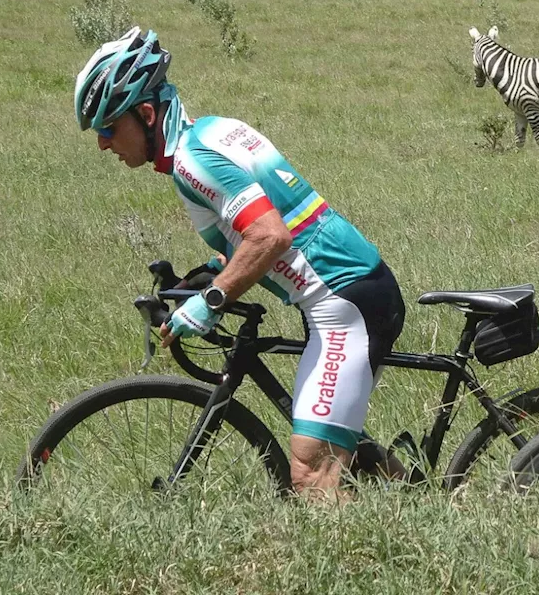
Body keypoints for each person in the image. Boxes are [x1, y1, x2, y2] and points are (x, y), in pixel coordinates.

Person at [74, 26, 405, 502]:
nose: (104, 144)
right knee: (329, 433)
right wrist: (208, 275)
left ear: (145, 114)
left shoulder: (194, 160)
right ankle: (422, 494)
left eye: (108, 128)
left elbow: (270, 236)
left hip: (343, 301)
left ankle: (358, 567)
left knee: (310, 469)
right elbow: (249, 235)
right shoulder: (209, 132)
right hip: (346, 290)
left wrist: (211, 301)